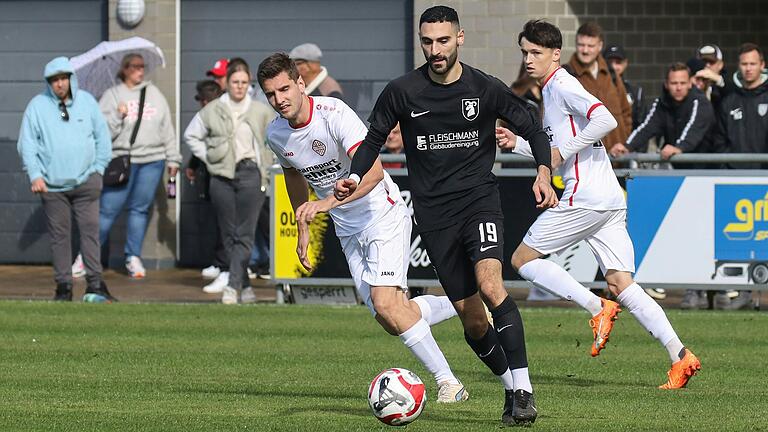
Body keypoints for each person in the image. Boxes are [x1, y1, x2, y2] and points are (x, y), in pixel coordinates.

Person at [335, 6, 558, 426]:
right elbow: (372, 140)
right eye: (427, 41)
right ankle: (512, 391)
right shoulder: (402, 91)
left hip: (479, 202)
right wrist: (352, 175)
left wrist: (543, 170)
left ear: (460, 38)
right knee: (473, 319)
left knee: (492, 287)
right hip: (435, 217)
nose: (435, 49)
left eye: (442, 40)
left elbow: (531, 125)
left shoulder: (484, 88)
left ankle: (525, 389)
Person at [498, 20, 701, 390]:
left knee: (521, 260)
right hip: (607, 198)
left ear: (555, 55)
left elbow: (605, 119)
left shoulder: (561, 85)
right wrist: (518, 144)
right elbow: (562, 146)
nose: (528, 59)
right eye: (524, 52)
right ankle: (681, 356)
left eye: (536, 53)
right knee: (623, 283)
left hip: (585, 197)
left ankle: (596, 307)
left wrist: (560, 150)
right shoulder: (551, 89)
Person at [257, 52, 469, 404]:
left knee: (386, 304)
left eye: (284, 89)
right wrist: (303, 223)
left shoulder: (334, 115)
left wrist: (324, 204)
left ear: (299, 83)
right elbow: (293, 173)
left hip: (381, 215)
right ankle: (466, 303)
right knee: (390, 317)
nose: (279, 100)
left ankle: (449, 383)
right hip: (347, 229)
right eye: (270, 94)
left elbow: (371, 174)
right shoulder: (276, 134)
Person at [17, 56, 116, 301]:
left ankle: (95, 285)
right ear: (48, 83)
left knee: (91, 233)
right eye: (54, 80)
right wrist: (35, 175)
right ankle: (63, 288)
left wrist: (99, 169)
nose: (59, 84)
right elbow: (26, 144)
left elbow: (102, 138)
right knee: (60, 237)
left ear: (71, 79)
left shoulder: (87, 102)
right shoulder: (37, 106)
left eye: (63, 78)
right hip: (51, 186)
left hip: (86, 182)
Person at [185, 59, 273, 304]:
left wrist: (269, 162)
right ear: (227, 83)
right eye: (235, 82)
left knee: (244, 233)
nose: (240, 87)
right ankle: (244, 286)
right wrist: (209, 158)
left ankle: (232, 287)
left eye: (244, 82)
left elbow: (275, 137)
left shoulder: (260, 110)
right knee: (228, 233)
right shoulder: (213, 109)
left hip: (251, 173)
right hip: (221, 175)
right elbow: (191, 135)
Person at [94, 53, 181, 278]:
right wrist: (117, 116)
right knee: (107, 211)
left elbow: (167, 128)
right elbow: (103, 134)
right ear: (124, 69)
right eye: (134, 66)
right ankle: (88, 257)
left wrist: (173, 158)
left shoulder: (154, 94)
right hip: (122, 161)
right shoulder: (111, 95)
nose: (139, 70)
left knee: (139, 210)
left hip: (152, 162)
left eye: (142, 66)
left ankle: (132, 257)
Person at [712, 43, 768, 310]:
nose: (748, 69)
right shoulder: (729, 101)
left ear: (762, 65)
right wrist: (731, 165)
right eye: (744, 64)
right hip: (735, 181)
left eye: (753, 64)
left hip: (764, 181)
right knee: (739, 241)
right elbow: (719, 139)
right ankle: (741, 291)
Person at [565, 22, 632, 153]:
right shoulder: (566, 75)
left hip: (617, 158)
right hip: (585, 160)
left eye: (590, 46)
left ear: (600, 46)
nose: (585, 50)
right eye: (581, 45)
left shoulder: (611, 72)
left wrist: (624, 140)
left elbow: (626, 112)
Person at [184, 80, 228, 280]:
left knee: (227, 223)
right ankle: (222, 264)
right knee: (220, 222)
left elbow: (199, 139)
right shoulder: (212, 114)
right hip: (215, 175)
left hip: (228, 176)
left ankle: (227, 266)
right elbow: (203, 140)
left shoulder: (221, 113)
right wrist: (193, 165)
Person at [603, 44, 646, 130]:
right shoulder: (595, 90)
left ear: (625, 63)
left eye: (618, 62)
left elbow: (641, 124)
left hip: (628, 141)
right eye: (609, 62)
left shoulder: (636, 92)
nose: (613, 67)